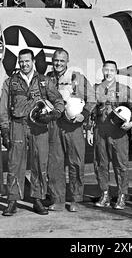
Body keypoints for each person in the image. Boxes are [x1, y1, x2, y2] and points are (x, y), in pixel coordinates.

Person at [0, 48, 64, 216]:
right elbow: (4, 109)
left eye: (27, 61)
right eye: (21, 61)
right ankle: (12, 201)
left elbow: (58, 100)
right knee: (15, 164)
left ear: (33, 61)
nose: (24, 64)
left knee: (40, 163)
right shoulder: (10, 82)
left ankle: (38, 199)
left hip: (39, 127)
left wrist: (53, 115)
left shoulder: (44, 81)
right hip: (18, 125)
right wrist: (5, 130)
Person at [88, 60, 132, 210]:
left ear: (116, 72)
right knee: (100, 164)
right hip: (100, 130)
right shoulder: (96, 89)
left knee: (121, 165)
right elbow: (90, 110)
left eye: (111, 70)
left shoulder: (124, 89)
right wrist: (89, 130)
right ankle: (105, 194)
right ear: (102, 71)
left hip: (118, 132)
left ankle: (122, 195)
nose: (108, 73)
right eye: (106, 70)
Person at [46, 49, 95, 212]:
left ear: (67, 61)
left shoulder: (77, 77)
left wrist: (84, 115)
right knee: (55, 163)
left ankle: (75, 199)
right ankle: (58, 199)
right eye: (55, 60)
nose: (58, 63)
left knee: (76, 162)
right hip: (54, 124)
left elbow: (92, 98)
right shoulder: (48, 78)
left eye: (61, 60)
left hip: (73, 125)